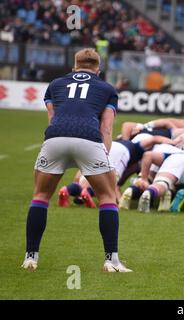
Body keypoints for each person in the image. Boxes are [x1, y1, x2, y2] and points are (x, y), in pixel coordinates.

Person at [21, 48, 132, 272]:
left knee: (40, 196)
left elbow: (52, 120)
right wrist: (103, 160)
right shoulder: (107, 89)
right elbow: (107, 129)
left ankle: (30, 258)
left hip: (55, 139)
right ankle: (111, 261)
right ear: (98, 70)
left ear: (74, 66)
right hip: (89, 140)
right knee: (108, 196)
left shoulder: (55, 85)